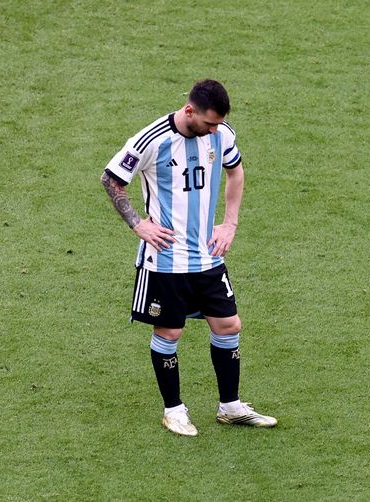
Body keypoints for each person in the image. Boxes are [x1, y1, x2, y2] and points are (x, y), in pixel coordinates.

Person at [101, 79, 276, 436]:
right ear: (190, 110)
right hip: (165, 259)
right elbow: (111, 180)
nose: (216, 130)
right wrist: (138, 225)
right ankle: (174, 410)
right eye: (210, 123)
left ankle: (230, 406)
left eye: (219, 124)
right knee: (170, 330)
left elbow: (235, 170)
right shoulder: (150, 140)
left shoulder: (221, 134)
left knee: (229, 326)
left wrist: (229, 223)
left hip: (208, 256)